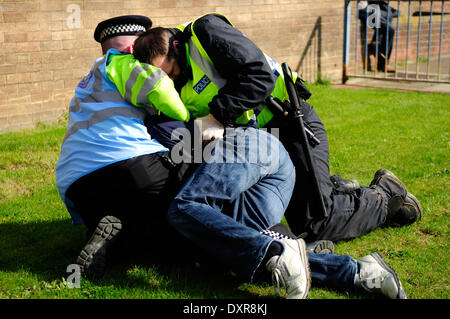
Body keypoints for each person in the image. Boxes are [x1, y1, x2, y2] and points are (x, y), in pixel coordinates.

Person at [132, 13, 422, 244]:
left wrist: (217, 116)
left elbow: (259, 76)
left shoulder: (206, 32)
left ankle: (385, 196)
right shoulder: (170, 85)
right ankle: (332, 186)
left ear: (176, 46)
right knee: (279, 218)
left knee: (316, 224)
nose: (171, 79)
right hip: (260, 145)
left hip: (291, 122)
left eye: (170, 71)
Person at [358, 1, 398, 72]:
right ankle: (383, 62)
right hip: (363, 10)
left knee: (389, 15)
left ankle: (374, 45)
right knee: (390, 29)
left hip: (372, 8)